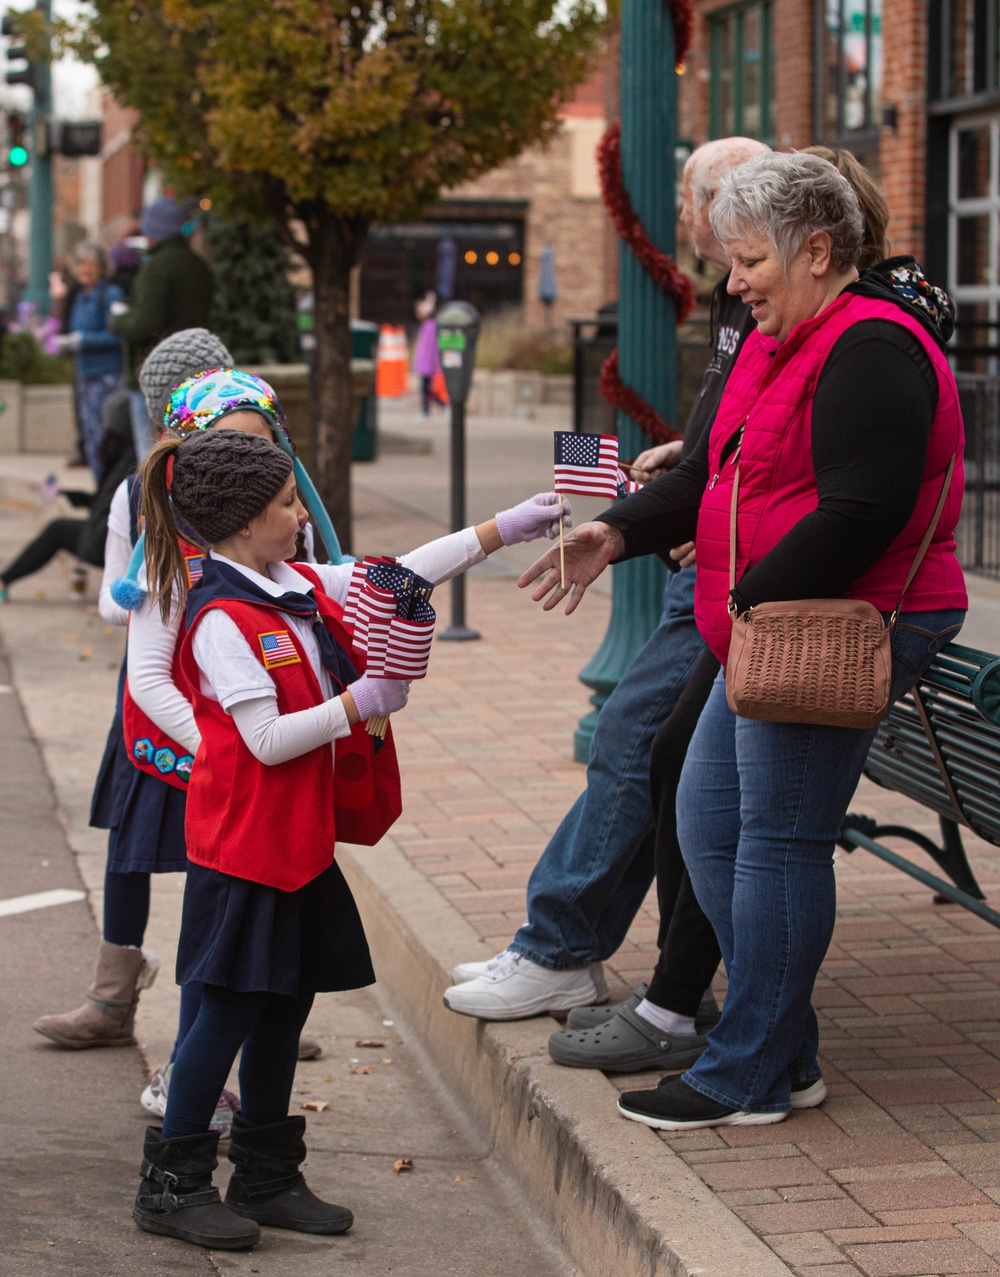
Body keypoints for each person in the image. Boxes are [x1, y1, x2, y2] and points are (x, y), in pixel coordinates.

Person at [520, 151, 967, 1130]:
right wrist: (621, 530)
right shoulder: (782, 335)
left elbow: (858, 513)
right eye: (729, 260)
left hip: (818, 625)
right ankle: (782, 1046)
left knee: (772, 841)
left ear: (818, 250)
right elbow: (713, 474)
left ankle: (750, 1070)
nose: (734, 283)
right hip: (765, 624)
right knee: (710, 822)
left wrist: (750, 595)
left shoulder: (872, 346)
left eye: (750, 260)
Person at [127, 414, 573, 1249]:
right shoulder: (222, 617)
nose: (303, 517)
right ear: (244, 518)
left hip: (295, 845)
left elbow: (398, 573)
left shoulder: (289, 587)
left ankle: (264, 1173)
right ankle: (172, 1182)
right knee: (221, 1016)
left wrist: (510, 524)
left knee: (284, 1008)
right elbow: (263, 742)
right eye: (290, 504)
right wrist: (361, 703)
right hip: (245, 852)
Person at [442, 137, 769, 1027]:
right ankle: (572, 947)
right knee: (645, 748)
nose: (689, 225)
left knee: (633, 738)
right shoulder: (742, 297)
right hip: (699, 552)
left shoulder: (783, 303)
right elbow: (733, 431)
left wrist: (699, 504)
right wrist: (686, 463)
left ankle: (566, 950)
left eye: (691, 203)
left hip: (737, 579)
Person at [0, 390, 135, 601]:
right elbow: (110, 505)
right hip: (111, 539)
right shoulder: (128, 456)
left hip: (108, 544)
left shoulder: (126, 462)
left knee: (57, 530)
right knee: (59, 529)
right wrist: (84, 499)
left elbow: (112, 509)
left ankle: (3, 580)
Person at [109, 197, 215, 462]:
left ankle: (159, 505)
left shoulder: (156, 267)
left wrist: (117, 320)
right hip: (195, 374)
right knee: (188, 452)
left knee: (153, 457)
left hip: (153, 374)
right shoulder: (198, 265)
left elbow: (144, 324)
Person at [53, 243, 126, 482]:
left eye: (89, 263)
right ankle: (99, 488)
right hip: (84, 374)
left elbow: (118, 335)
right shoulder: (80, 296)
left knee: (108, 436)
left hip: (107, 375)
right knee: (90, 435)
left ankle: (110, 487)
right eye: (79, 264)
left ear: (100, 267)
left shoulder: (111, 294)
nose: (83, 269)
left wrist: (84, 340)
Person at [412, 290, 446, 417]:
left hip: (429, 366)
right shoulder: (427, 326)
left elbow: (431, 349)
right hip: (426, 366)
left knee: (428, 389)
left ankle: (437, 406)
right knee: (426, 388)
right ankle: (430, 409)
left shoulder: (432, 326)